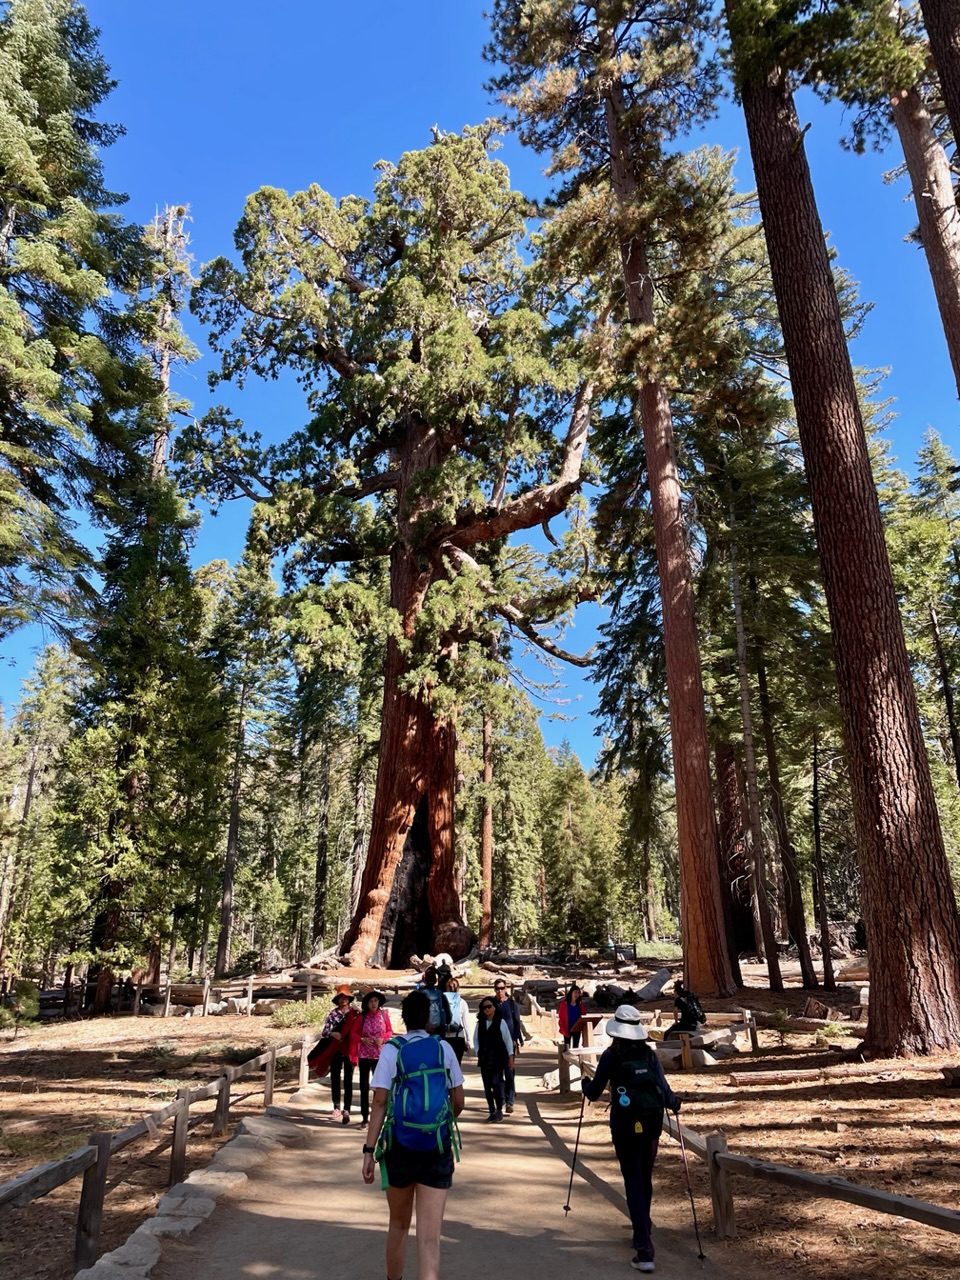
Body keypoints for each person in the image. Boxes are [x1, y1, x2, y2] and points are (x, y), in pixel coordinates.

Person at [362, 989, 465, 1280]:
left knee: (398, 1225)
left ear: (404, 1018)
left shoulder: (391, 1050)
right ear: (429, 1018)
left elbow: (380, 1102)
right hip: (436, 1147)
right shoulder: (443, 1048)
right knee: (430, 1238)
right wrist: (442, 1123)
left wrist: (369, 1150)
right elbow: (459, 1102)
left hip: (399, 1146)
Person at [582, 1004, 681, 1273]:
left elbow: (593, 1093)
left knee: (633, 1180)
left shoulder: (611, 1056)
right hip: (650, 1125)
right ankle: (643, 1226)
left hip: (624, 1126)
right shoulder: (649, 1055)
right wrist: (675, 1103)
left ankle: (644, 1247)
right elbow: (663, 1088)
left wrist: (584, 1085)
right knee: (644, 1178)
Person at [348, 990, 394, 1126]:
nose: (373, 1004)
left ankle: (376, 1114)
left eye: (375, 1001)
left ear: (379, 1002)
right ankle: (364, 1117)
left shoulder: (384, 1015)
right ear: (367, 1004)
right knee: (364, 1085)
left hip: (380, 1055)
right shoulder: (362, 1018)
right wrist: (362, 1039)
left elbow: (390, 1031)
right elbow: (353, 1034)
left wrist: (383, 1039)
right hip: (364, 1055)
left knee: (378, 1086)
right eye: (370, 1001)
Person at [321, 987, 360, 1123]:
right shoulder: (333, 1014)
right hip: (335, 1048)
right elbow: (325, 1031)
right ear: (337, 999)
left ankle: (347, 1108)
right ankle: (336, 1106)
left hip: (349, 1049)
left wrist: (361, 1012)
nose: (343, 1000)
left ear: (349, 999)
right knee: (335, 1077)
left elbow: (362, 1027)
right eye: (341, 997)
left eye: (346, 997)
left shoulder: (355, 1013)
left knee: (348, 1078)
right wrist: (333, 1033)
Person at [473, 996, 514, 1122]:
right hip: (485, 1058)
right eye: (484, 1007)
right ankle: (491, 1111)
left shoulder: (501, 1022)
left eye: (489, 1006)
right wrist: (478, 1051)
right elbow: (475, 1039)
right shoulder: (480, 1024)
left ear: (494, 1007)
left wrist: (510, 1056)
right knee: (487, 1087)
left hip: (498, 1058)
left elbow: (507, 1040)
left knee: (496, 1083)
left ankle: (499, 1109)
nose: (487, 1009)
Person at [493, 979, 524, 1113]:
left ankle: (510, 1101)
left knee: (509, 1072)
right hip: (495, 1045)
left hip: (510, 1043)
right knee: (498, 1074)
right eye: (497, 988)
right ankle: (503, 1098)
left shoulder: (512, 1004)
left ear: (506, 989)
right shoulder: (491, 1004)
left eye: (502, 988)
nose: (500, 991)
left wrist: (515, 1039)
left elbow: (517, 1022)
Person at [439, 972, 471, 1064]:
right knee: (456, 1065)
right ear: (458, 988)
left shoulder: (441, 1001)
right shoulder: (462, 1002)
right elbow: (466, 1023)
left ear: (446, 987)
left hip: (444, 1036)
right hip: (458, 1037)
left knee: (445, 1065)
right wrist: (468, 1040)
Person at [417, 965, 446, 1036]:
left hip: (424, 1025)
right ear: (435, 980)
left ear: (425, 980)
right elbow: (445, 1010)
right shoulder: (440, 993)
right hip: (438, 1025)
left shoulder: (420, 993)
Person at [559, 984, 585, 1049]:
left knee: (576, 1048)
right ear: (571, 993)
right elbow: (561, 1017)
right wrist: (562, 1027)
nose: (576, 994)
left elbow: (584, 1014)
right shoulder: (564, 1004)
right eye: (575, 992)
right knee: (567, 1048)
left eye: (578, 993)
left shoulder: (580, 1004)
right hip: (567, 1028)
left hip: (577, 1028)